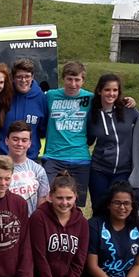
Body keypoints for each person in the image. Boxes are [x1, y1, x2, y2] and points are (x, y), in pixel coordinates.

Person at [29, 171, 89, 277]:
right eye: (59, 198)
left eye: (69, 198)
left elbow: (79, 262)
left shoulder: (82, 223)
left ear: (76, 197)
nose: (64, 203)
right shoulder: (39, 218)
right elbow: (39, 258)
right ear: (50, 196)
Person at [42, 61, 93, 207]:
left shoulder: (90, 98)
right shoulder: (50, 96)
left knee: (75, 205)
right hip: (53, 156)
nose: (73, 84)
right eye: (69, 79)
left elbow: (112, 101)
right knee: (47, 198)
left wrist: (130, 102)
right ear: (63, 79)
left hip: (80, 157)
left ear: (83, 80)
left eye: (77, 80)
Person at [87, 74, 139, 204]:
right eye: (107, 90)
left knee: (119, 208)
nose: (111, 93)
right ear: (99, 91)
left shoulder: (128, 110)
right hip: (99, 170)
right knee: (99, 207)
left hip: (123, 171)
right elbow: (88, 141)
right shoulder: (92, 114)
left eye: (115, 90)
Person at [0, 121, 49, 216]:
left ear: (29, 143)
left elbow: (42, 203)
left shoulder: (38, 170)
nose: (19, 143)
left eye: (24, 140)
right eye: (15, 139)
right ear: (7, 140)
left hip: (28, 224)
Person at [0, 59, 47, 161]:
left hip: (30, 159)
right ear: (13, 78)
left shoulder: (41, 98)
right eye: (19, 77)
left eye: (27, 76)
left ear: (32, 77)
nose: (23, 80)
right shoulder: (4, 95)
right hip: (3, 158)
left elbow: (43, 130)